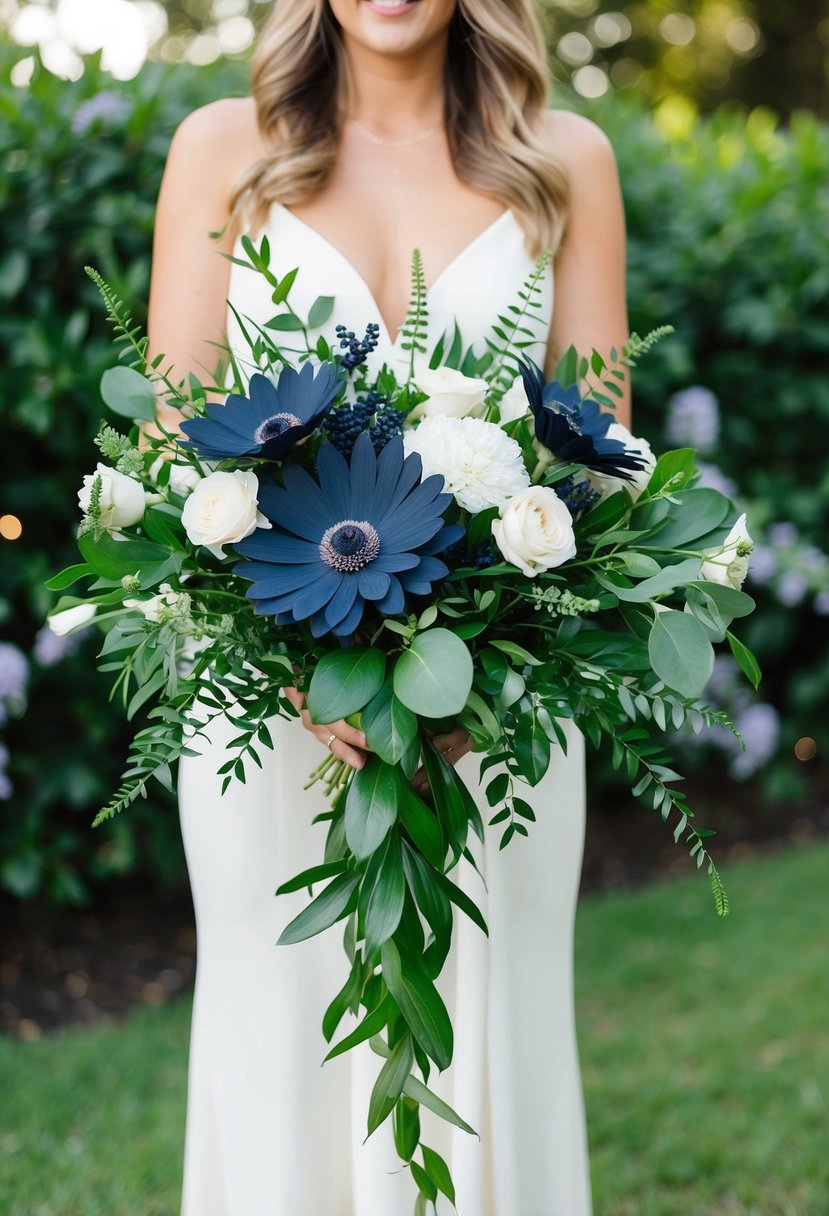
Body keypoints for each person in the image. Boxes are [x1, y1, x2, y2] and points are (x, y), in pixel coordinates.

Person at [147, 0, 630, 1212]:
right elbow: (172, 452)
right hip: (270, 716)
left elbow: (590, 464)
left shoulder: (564, 160)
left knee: (486, 1031)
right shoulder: (223, 147)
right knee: (279, 1036)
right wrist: (293, 673)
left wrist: (478, 675)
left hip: (496, 717)